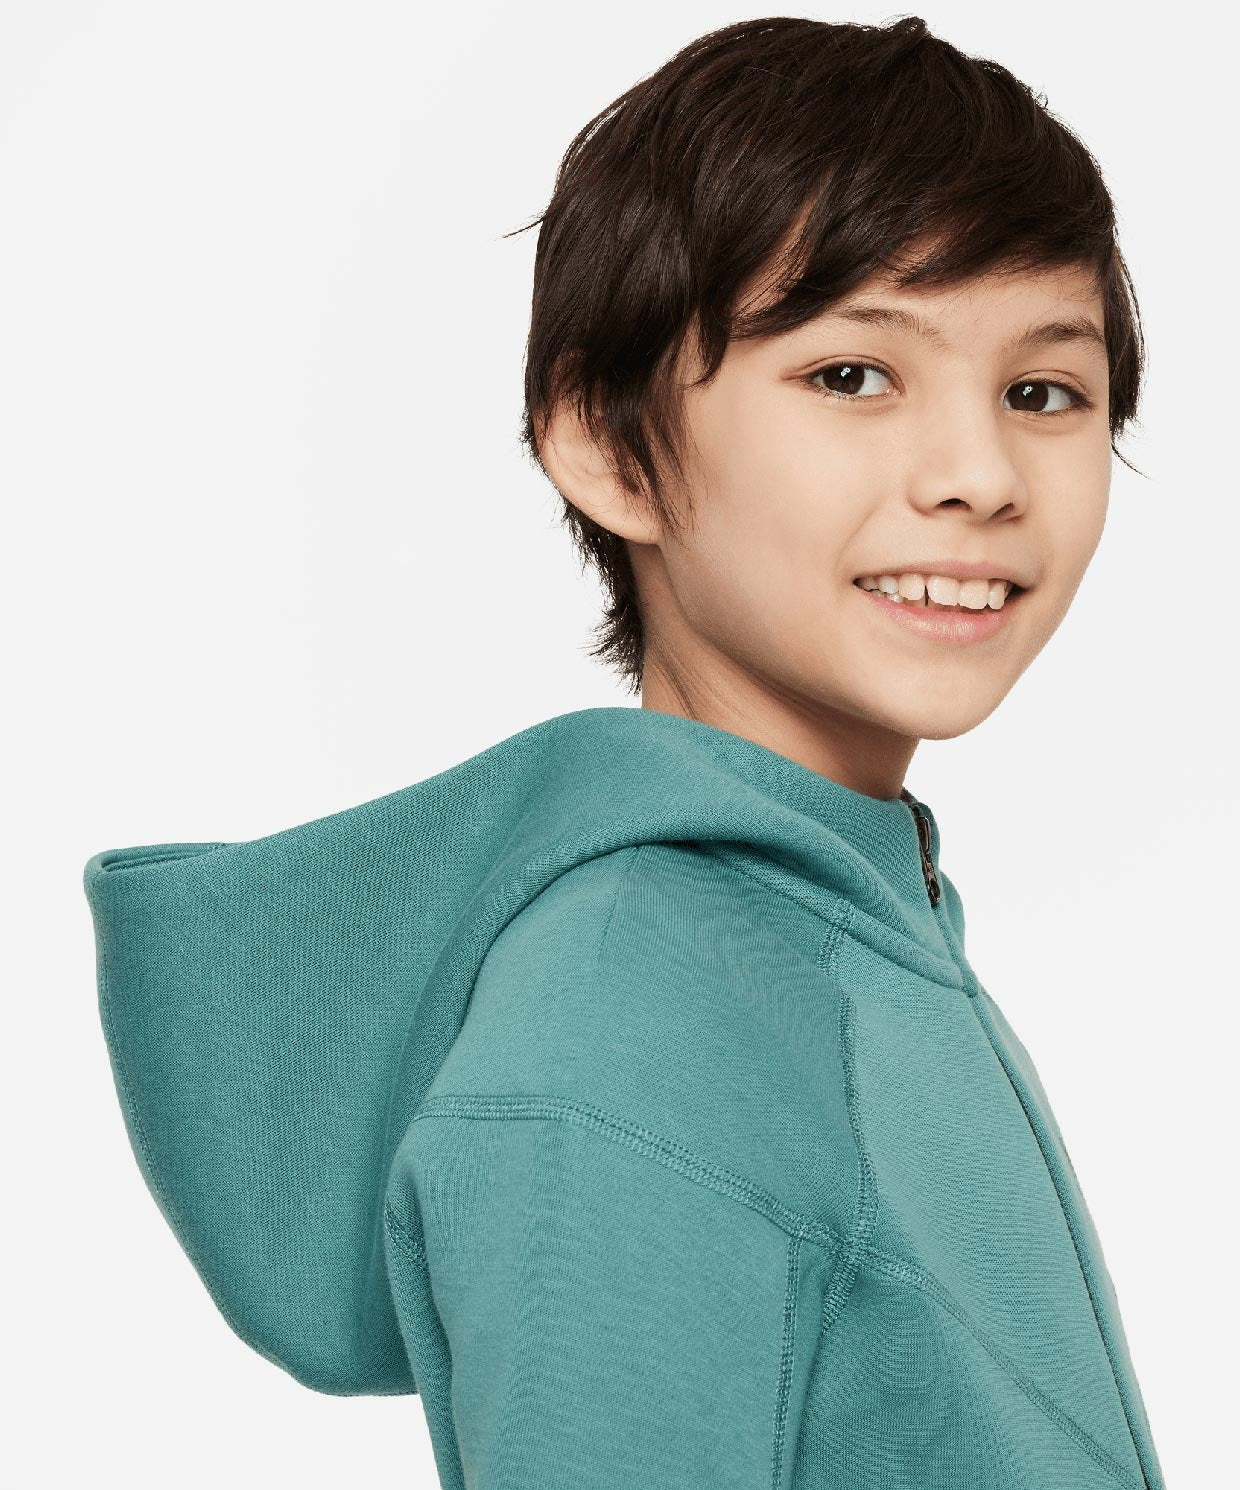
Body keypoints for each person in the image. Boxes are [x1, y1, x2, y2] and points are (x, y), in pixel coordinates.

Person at [83, 15, 1165, 1489]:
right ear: (605, 440)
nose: (979, 476)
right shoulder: (637, 1008)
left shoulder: (842, 921)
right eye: (853, 375)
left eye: (1042, 392)